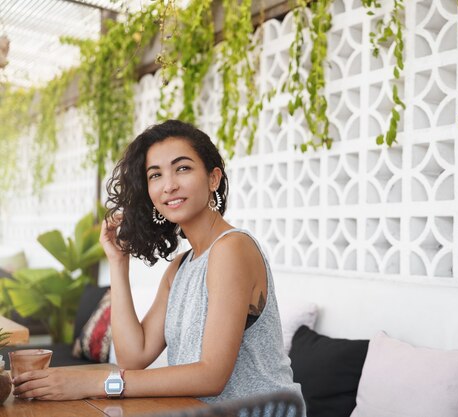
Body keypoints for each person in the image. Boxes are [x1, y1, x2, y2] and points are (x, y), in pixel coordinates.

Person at [12, 119, 304, 410]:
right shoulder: (180, 267)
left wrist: (96, 382)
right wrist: (117, 262)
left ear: (213, 178)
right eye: (155, 175)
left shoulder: (232, 248)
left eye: (183, 168)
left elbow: (212, 375)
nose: (169, 185)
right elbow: (134, 356)